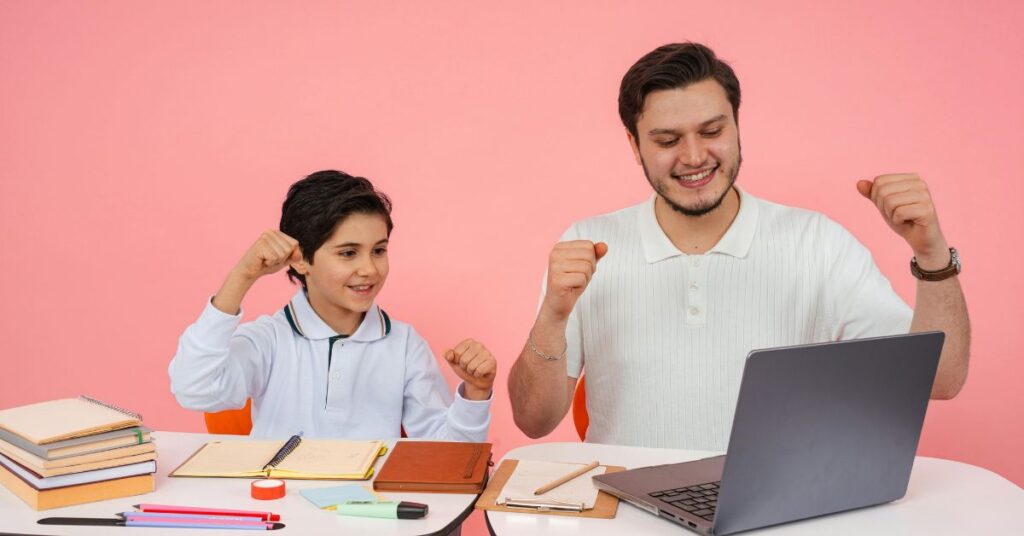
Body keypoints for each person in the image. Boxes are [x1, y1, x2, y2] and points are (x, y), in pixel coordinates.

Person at [508, 43, 970, 450]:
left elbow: (940, 379)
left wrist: (932, 255)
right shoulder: (588, 244)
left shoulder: (817, 243)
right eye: (668, 140)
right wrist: (552, 317)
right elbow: (533, 421)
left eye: (712, 132)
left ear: (736, 125)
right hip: (625, 502)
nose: (694, 157)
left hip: (779, 503)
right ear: (635, 145)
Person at [170, 170, 496, 440]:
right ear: (300, 259)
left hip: (369, 500)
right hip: (283, 498)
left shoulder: (405, 345)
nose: (369, 269)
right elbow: (194, 388)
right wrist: (243, 275)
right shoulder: (269, 339)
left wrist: (476, 393)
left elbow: (448, 457)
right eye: (348, 253)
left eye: (379, 250)